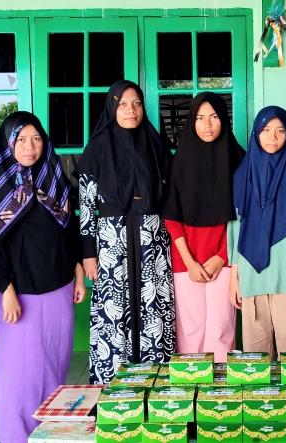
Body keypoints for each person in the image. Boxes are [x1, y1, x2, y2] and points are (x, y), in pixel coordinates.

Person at [0, 111, 86, 442]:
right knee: (20, 375)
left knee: (54, 365)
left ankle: (48, 435)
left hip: (57, 287)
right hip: (17, 292)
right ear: (8, 144)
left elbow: (69, 231)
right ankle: (16, 437)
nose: (30, 146)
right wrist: (5, 289)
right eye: (22, 140)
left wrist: (78, 273)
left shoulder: (55, 180)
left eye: (36, 139)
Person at [75, 80, 174, 385]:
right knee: (113, 312)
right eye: (123, 104)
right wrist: (88, 254)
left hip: (151, 245)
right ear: (112, 108)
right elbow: (86, 206)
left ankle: (157, 387)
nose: (131, 110)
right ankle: (113, 389)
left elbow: (171, 200)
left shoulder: (155, 145)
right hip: (111, 245)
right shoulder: (97, 149)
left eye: (136, 103)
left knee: (153, 309)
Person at [227, 106, 286, 356]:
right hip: (252, 277)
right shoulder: (242, 174)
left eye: (280, 131)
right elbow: (235, 229)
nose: (273, 137)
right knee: (256, 360)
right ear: (256, 132)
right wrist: (234, 279)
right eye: (266, 130)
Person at [162, 92, 245, 363]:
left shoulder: (239, 161)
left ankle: (218, 385)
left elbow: (245, 216)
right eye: (200, 118)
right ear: (192, 121)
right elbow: (172, 216)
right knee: (190, 329)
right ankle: (191, 383)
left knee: (221, 328)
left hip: (225, 259)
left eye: (214, 117)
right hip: (186, 260)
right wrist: (189, 261)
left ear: (224, 120)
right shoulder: (180, 161)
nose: (207, 125)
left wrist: (222, 256)